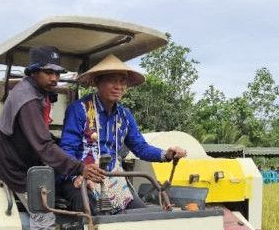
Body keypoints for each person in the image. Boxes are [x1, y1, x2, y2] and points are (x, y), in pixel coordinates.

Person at [0, 46, 105, 230]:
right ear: (33, 72)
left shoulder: (39, 92)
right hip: (17, 169)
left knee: (77, 192)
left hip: (35, 162)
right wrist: (79, 167)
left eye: (57, 72)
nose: (55, 78)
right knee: (43, 218)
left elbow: (45, 141)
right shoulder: (27, 100)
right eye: (48, 72)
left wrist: (75, 171)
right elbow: (43, 146)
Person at [58, 54, 187, 214]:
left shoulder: (125, 115)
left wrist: (166, 154)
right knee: (93, 214)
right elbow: (67, 149)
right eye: (112, 80)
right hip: (79, 175)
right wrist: (77, 174)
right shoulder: (79, 109)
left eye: (123, 81)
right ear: (98, 81)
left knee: (141, 214)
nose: (119, 86)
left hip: (113, 177)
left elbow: (140, 147)